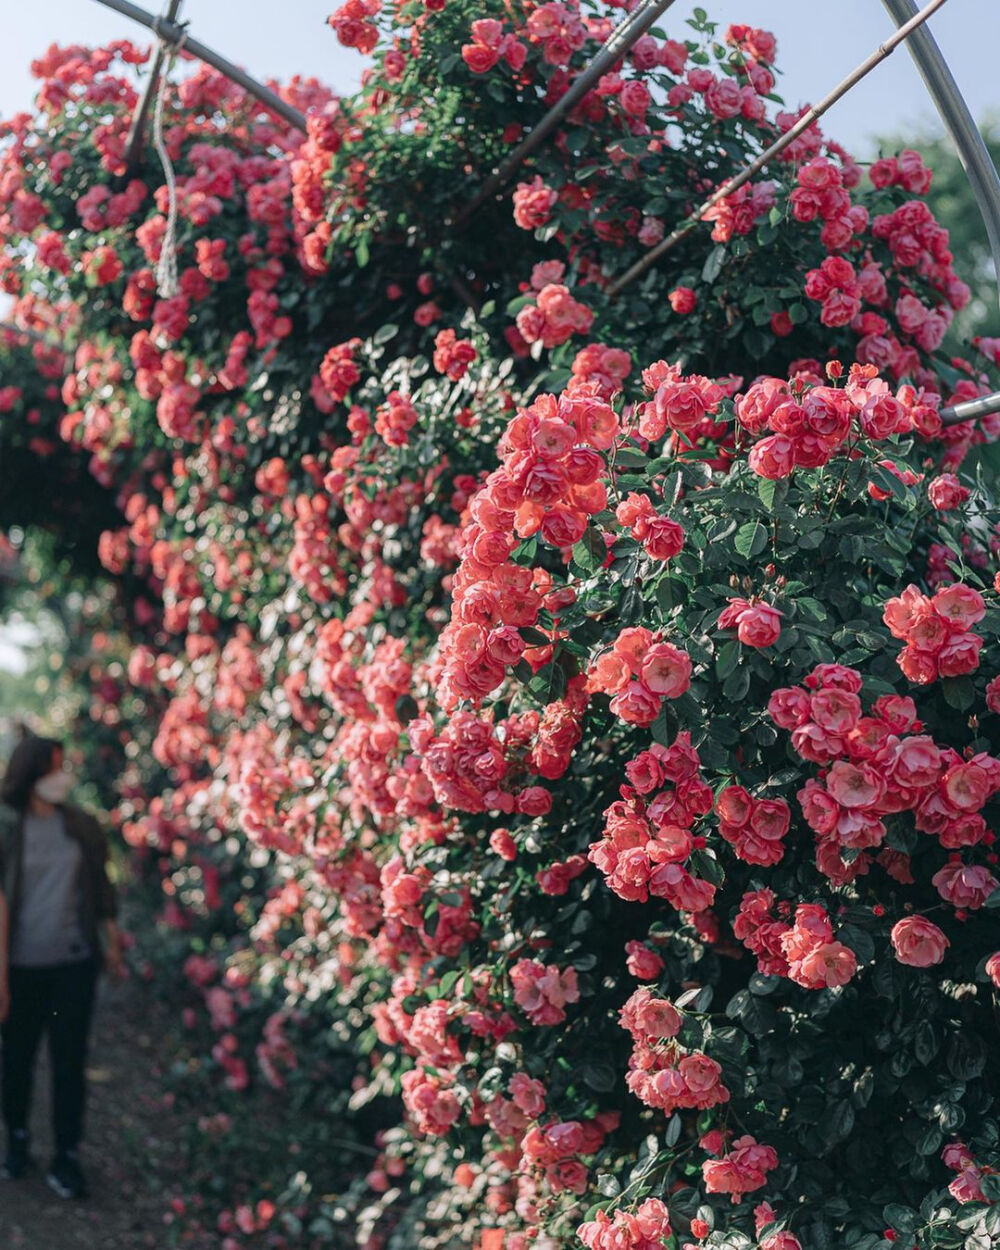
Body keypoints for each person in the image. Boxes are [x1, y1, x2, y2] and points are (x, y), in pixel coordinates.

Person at [0, 732, 124, 1200]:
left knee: (69, 1061)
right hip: (20, 967)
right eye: (54, 768)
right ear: (31, 773)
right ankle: (17, 1138)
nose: (62, 776)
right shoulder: (6, 827)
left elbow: (102, 894)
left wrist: (112, 948)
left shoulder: (81, 826)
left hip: (72, 965)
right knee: (16, 1060)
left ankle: (67, 1154)